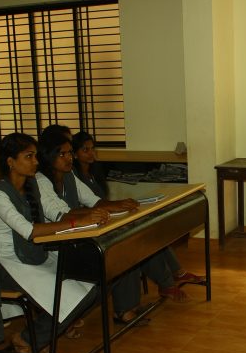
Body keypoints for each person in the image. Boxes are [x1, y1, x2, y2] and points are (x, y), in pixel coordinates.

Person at [0, 133, 107, 353]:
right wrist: (76, 223)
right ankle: (28, 339)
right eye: (28, 157)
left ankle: (40, 335)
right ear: (10, 162)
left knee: (92, 286)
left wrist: (82, 223)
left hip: (35, 255)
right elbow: (29, 231)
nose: (36, 162)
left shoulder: (31, 187)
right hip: (8, 264)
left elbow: (40, 229)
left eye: (36, 156)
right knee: (74, 296)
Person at [70, 129, 205, 301]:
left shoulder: (95, 172)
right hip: (96, 224)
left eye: (92, 149)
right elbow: (89, 206)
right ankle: (167, 283)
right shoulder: (74, 178)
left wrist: (119, 206)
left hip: (108, 217)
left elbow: (102, 201)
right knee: (140, 241)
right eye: (85, 150)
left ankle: (178, 273)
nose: (91, 153)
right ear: (75, 154)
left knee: (150, 230)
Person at [35, 130, 151, 324]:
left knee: (125, 243)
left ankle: (126, 308)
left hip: (78, 235)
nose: (69, 158)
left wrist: (119, 204)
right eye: (62, 154)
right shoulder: (40, 181)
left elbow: (93, 200)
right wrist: (96, 213)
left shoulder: (69, 175)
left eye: (70, 153)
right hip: (58, 244)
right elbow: (62, 215)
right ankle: (77, 314)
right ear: (48, 156)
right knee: (115, 255)